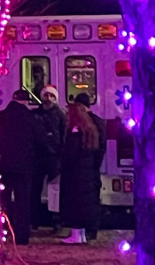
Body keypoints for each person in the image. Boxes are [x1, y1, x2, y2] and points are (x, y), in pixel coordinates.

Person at [0, 89, 43, 245]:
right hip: (24, 167)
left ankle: (3, 230)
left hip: (3, 165)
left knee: (4, 200)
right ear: (26, 102)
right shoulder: (30, 118)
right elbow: (39, 140)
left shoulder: (2, 116)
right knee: (23, 202)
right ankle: (22, 236)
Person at [59, 101, 102, 244]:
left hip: (75, 173)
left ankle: (75, 235)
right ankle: (82, 235)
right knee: (84, 204)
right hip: (87, 172)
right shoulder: (90, 130)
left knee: (75, 203)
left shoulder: (74, 133)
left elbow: (69, 154)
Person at [32, 84, 67, 231]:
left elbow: (64, 134)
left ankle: (56, 220)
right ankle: (34, 219)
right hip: (38, 157)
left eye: (51, 96)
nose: (48, 99)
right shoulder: (35, 114)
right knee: (35, 189)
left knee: (55, 190)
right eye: (46, 95)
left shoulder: (60, 115)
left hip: (54, 157)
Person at [74, 93, 107, 241]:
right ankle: (92, 229)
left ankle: (84, 230)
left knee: (83, 200)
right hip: (93, 166)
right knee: (94, 198)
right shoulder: (99, 122)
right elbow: (102, 146)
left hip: (84, 166)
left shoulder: (80, 122)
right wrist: (97, 163)